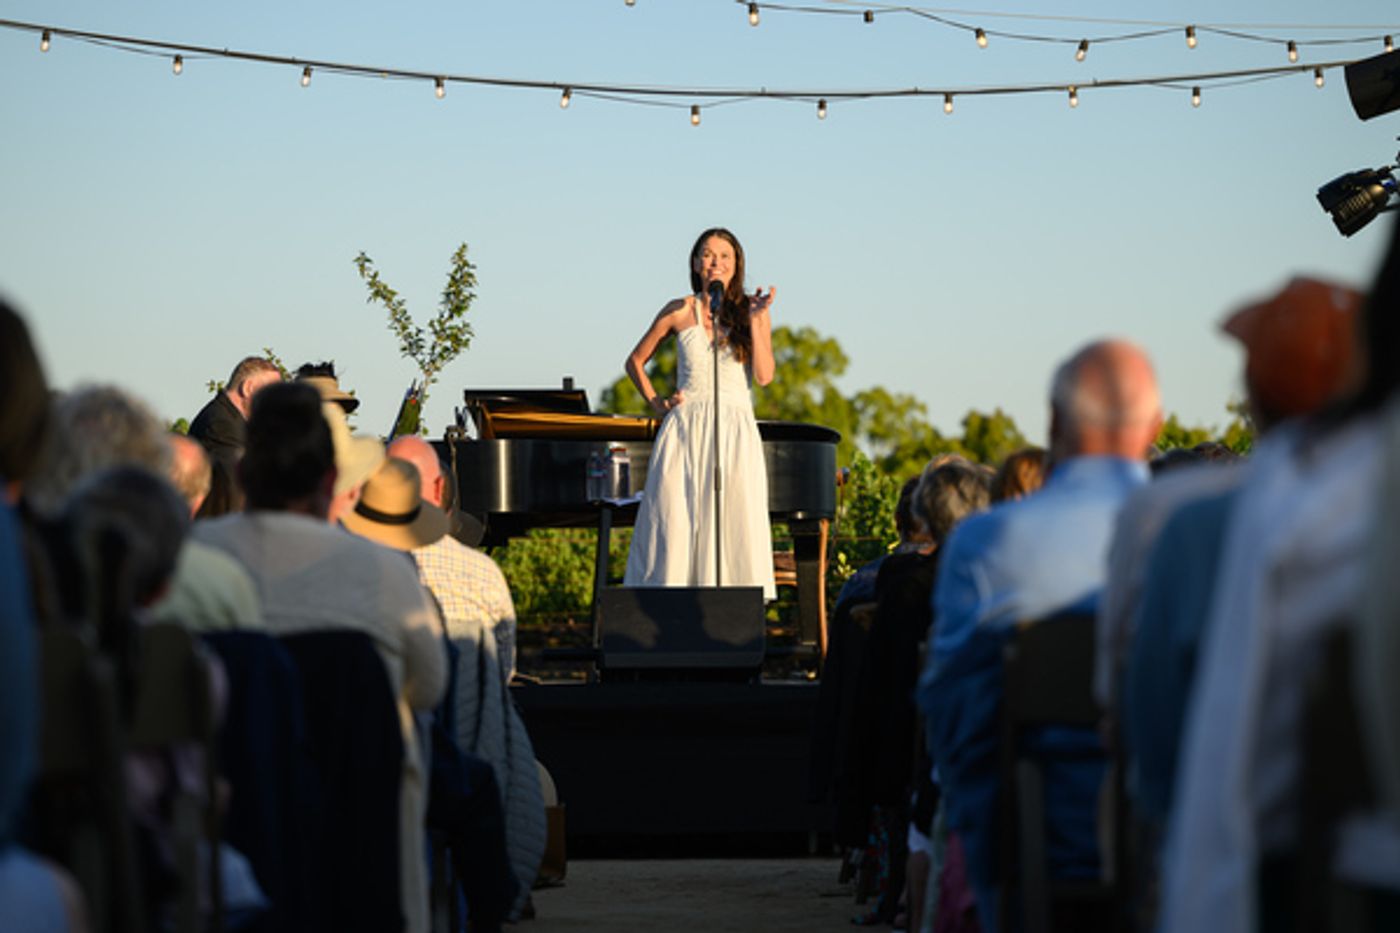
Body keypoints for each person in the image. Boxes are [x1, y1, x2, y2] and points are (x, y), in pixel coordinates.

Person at [918, 339, 1162, 933]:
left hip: (1026, 853)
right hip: (1174, 857)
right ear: (1155, 425)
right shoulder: (1197, 535)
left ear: (1054, 423)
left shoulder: (984, 543)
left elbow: (948, 722)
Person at [193, 383, 446, 933]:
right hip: (363, 848)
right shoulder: (383, 572)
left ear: (243, 474)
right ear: (331, 481)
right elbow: (429, 688)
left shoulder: (193, 561)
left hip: (234, 837)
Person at [622, 227, 777, 600]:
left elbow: (764, 376)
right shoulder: (679, 309)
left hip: (734, 429)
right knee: (677, 522)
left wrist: (757, 320)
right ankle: (668, 614)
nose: (715, 263)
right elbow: (635, 361)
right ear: (695, 264)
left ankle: (729, 614)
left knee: (733, 520)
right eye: (707, 255)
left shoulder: (752, 311)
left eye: (724, 256)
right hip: (686, 429)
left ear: (736, 264)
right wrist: (657, 402)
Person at [187, 356, 282, 473]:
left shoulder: (226, 418)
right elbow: (237, 479)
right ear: (248, 388)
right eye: (271, 393)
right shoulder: (222, 426)